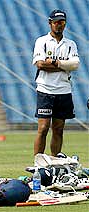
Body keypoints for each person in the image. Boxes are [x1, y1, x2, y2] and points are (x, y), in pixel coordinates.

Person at [32, 10, 79, 156]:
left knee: (58, 129)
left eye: (62, 22)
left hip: (64, 90)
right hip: (45, 89)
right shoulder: (42, 41)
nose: (59, 25)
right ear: (50, 23)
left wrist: (54, 62)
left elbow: (75, 65)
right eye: (56, 22)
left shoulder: (70, 44)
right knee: (44, 128)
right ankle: (38, 164)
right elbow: (40, 64)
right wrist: (64, 65)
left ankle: (54, 162)